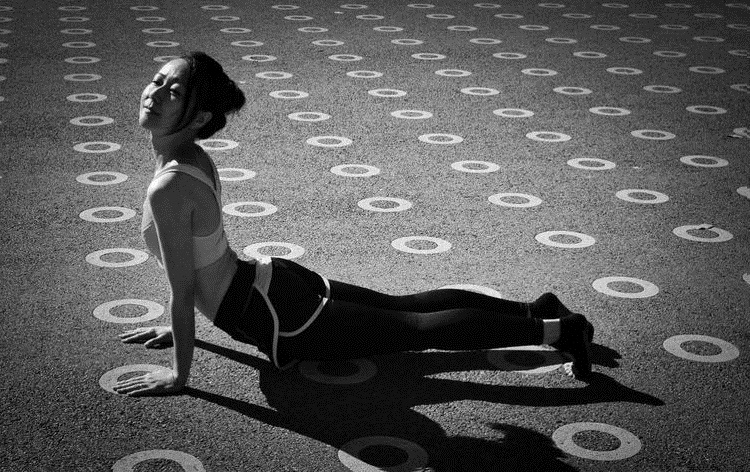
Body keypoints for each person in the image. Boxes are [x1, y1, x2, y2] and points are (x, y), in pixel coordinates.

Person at [114, 51, 594, 397]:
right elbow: (198, 271)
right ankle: (535, 310)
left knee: (416, 329)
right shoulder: (191, 158)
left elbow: (185, 288)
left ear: (198, 116)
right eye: (157, 81)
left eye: (173, 92)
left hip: (277, 315)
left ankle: (561, 331)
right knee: (408, 312)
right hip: (268, 284)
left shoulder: (169, 186)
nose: (154, 94)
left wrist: (178, 375)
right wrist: (179, 327)